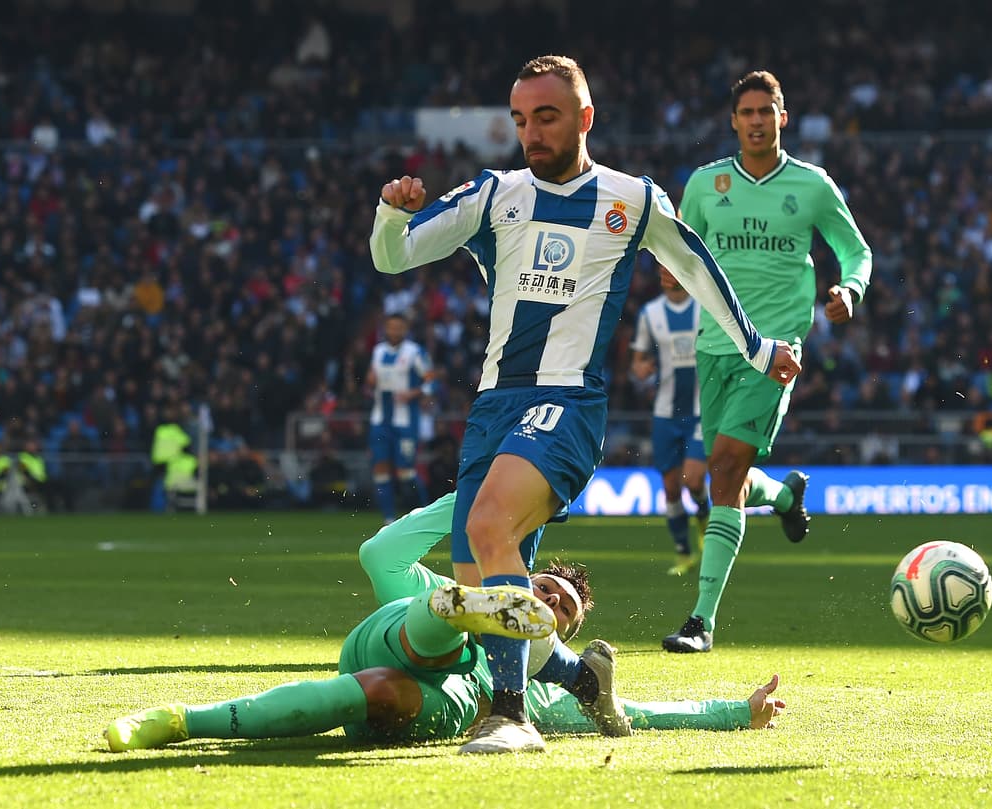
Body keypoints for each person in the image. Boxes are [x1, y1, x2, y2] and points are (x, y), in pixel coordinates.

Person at [370, 54, 800, 753]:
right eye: (519, 120)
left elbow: (695, 266)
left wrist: (759, 349)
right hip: (493, 409)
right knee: (486, 597)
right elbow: (396, 256)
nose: (531, 133)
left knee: (485, 525)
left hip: (569, 403)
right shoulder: (493, 194)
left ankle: (510, 716)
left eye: (547, 117)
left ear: (584, 118)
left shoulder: (631, 199)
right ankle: (582, 679)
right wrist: (392, 213)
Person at [103, 494, 785, 752]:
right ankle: (468, 607)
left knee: (371, 692)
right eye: (543, 589)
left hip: (416, 693)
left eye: (558, 611)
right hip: (404, 628)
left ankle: (177, 722)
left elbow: (642, 710)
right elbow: (379, 553)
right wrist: (482, 498)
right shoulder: (441, 573)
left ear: (562, 641)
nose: (549, 599)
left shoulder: (554, 691)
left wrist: (735, 710)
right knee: (446, 614)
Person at [662, 70, 872, 654]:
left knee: (722, 473)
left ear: (783, 116)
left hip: (774, 351)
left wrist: (849, 289)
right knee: (718, 475)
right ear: (733, 121)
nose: (756, 120)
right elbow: (683, 255)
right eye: (746, 111)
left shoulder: (811, 186)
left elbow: (856, 250)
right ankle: (781, 496)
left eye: (767, 110)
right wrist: (671, 275)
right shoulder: (706, 185)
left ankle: (701, 621)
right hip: (713, 348)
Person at [630, 266, 711, 575]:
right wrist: (640, 368)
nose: (666, 274)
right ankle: (683, 553)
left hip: (700, 412)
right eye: (661, 270)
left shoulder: (703, 306)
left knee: (693, 480)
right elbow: (638, 359)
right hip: (665, 413)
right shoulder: (650, 314)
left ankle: (704, 515)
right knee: (671, 489)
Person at [366, 312, 435, 524]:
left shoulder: (415, 352)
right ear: (385, 329)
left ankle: (424, 514)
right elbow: (371, 379)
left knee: (406, 471)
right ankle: (388, 519)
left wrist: (414, 393)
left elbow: (431, 381)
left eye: (399, 327)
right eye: (391, 327)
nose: (394, 331)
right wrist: (369, 380)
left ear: (405, 329)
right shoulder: (377, 352)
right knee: (381, 468)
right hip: (380, 420)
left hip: (405, 422)